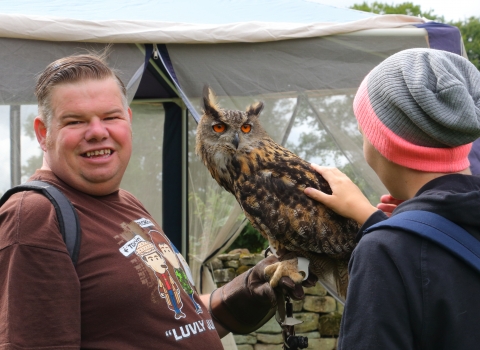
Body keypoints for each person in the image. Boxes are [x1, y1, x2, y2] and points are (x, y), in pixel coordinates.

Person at [0, 53, 314, 349]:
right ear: (43, 133)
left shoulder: (126, 203)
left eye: (111, 117)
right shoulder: (35, 216)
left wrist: (249, 287)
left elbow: (180, 320)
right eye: (76, 121)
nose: (98, 132)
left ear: (128, 120)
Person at [304, 48, 480, 349]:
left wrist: (385, 236)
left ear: (382, 142)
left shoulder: (386, 252)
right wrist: (378, 223)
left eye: (363, 130)